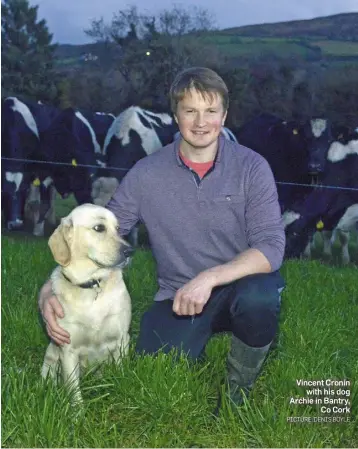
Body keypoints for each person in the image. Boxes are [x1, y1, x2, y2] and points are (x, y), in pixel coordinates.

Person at [39, 66, 286, 411]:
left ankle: (237, 392)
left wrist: (210, 277)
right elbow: (99, 233)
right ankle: (193, 338)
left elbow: (272, 247)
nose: (201, 122)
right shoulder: (145, 174)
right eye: (190, 111)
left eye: (211, 111)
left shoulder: (252, 167)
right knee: (155, 371)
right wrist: (49, 291)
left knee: (260, 298)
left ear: (225, 115)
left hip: (240, 285)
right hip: (180, 294)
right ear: (176, 115)